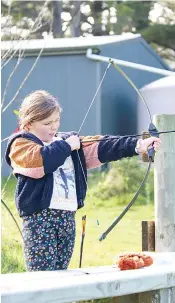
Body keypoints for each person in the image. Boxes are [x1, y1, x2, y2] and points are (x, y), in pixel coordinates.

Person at [5, 90, 161, 271]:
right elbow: (42, 162)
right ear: (29, 123)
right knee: (42, 277)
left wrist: (138, 145)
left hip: (67, 219)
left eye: (56, 120)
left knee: (62, 274)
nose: (54, 127)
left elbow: (103, 146)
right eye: (47, 123)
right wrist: (68, 145)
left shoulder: (66, 142)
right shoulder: (21, 144)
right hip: (40, 220)